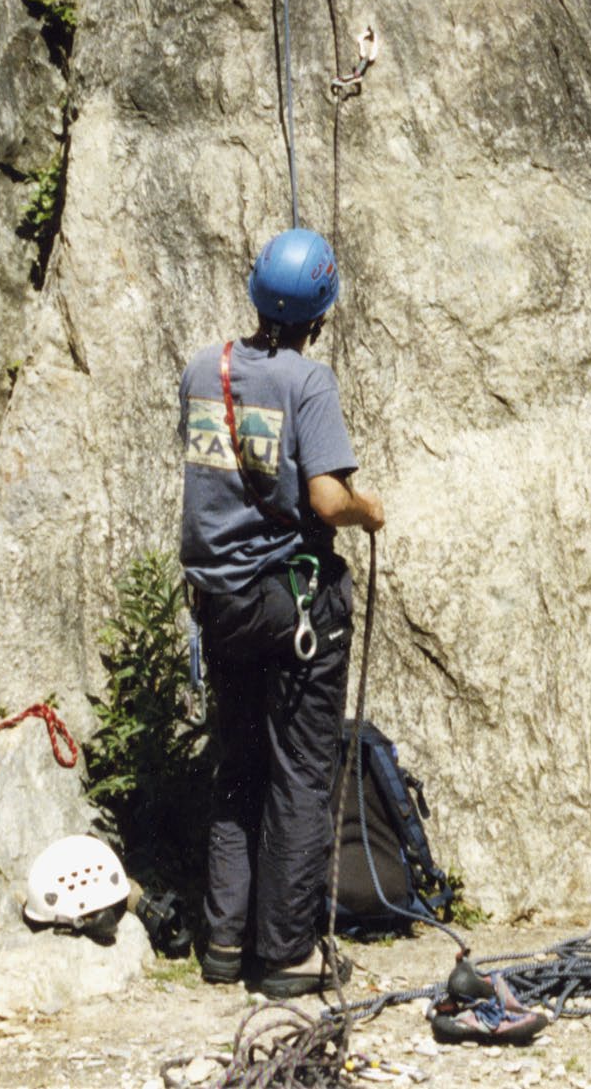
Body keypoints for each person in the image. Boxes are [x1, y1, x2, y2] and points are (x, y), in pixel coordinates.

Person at [179, 226, 385, 993]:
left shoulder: (207, 368)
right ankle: (288, 952)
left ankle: (225, 945)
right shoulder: (309, 381)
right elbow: (326, 499)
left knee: (237, 768)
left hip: (219, 603)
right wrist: (370, 510)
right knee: (301, 773)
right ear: (321, 308)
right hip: (289, 600)